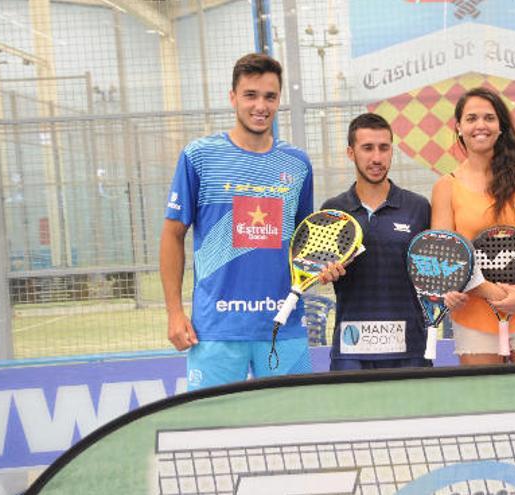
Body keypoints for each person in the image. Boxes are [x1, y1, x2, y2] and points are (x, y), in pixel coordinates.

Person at [160, 53, 314, 390]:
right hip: (215, 329)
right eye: (251, 95)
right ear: (232, 98)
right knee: (210, 431)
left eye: (270, 96)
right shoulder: (199, 156)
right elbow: (172, 234)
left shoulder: (298, 163)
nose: (261, 105)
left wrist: (322, 268)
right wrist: (174, 312)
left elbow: (305, 241)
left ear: (279, 100)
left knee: (292, 431)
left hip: (282, 326)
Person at [431, 87, 515, 366]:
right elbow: (447, 258)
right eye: (471, 118)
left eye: (489, 118)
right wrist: (495, 294)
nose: (481, 125)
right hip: (474, 316)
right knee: (483, 404)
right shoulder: (445, 187)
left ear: (501, 126)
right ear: (459, 128)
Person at [318, 113, 432, 370]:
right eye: (367, 148)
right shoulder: (333, 210)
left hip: (410, 347)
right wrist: (325, 274)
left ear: (392, 150)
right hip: (351, 349)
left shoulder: (418, 207)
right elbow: (322, 269)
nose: (377, 158)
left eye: (384, 148)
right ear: (351, 152)